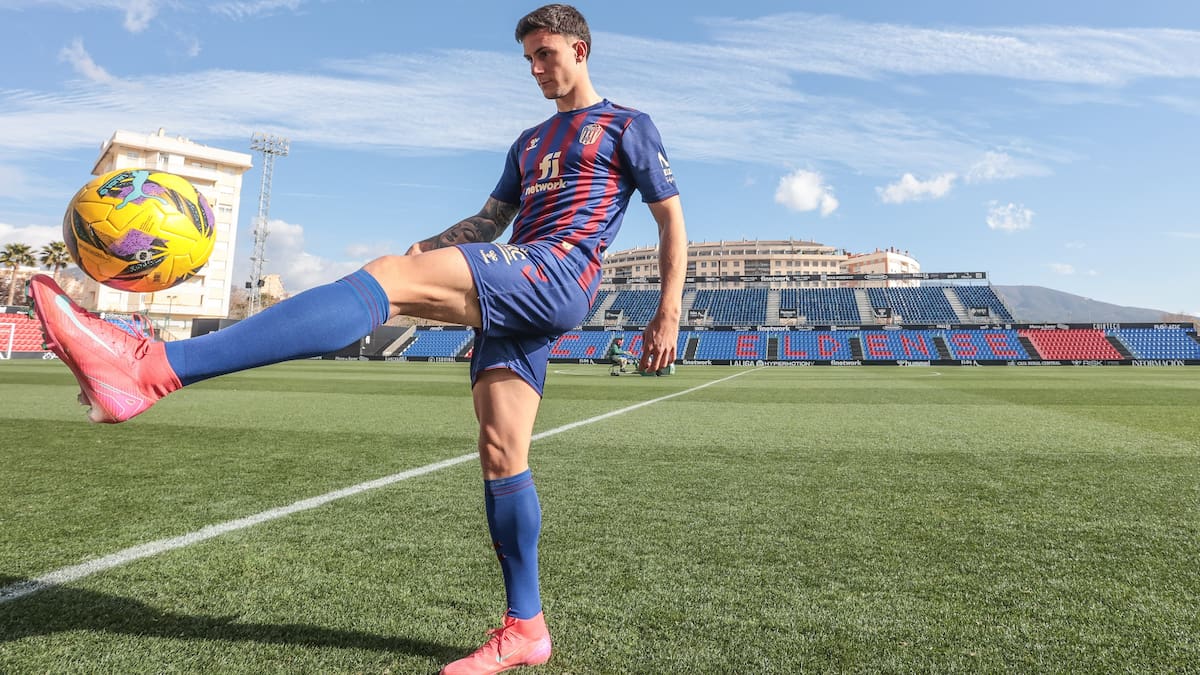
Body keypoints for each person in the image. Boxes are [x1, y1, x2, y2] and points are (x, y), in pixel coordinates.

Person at [28, 4, 685, 674]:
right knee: (501, 451)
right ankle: (528, 628)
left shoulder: (627, 126)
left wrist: (667, 310)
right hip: (518, 272)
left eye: (546, 55)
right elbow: (491, 220)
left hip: (557, 269)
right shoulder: (527, 142)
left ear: (580, 49)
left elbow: (670, 219)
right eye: (528, 60)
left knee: (386, 282)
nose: (537, 69)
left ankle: (151, 366)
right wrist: (431, 244)